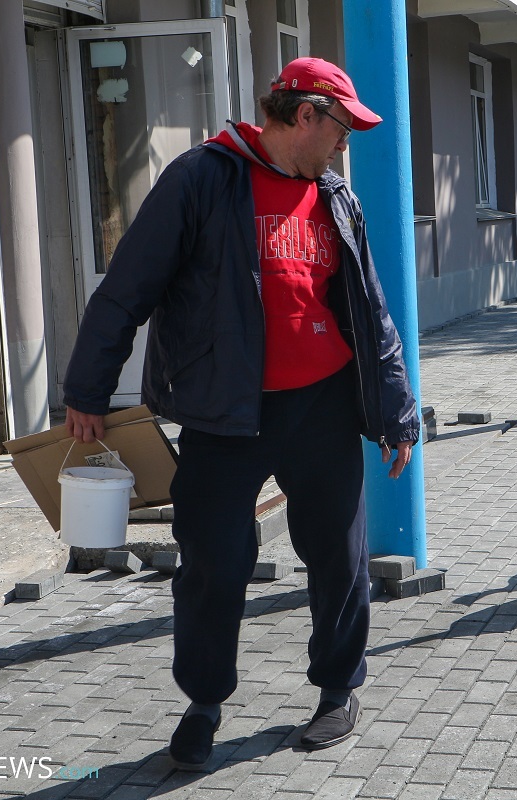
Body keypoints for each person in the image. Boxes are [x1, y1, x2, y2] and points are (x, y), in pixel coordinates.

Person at [62, 57, 420, 770]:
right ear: (306, 115)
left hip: (322, 403)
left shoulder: (336, 196)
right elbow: (128, 286)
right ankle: (203, 704)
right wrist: (87, 390)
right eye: (342, 126)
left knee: (337, 556)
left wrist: (396, 411)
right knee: (213, 564)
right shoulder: (203, 179)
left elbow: (371, 311)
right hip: (225, 411)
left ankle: (338, 689)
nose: (347, 141)